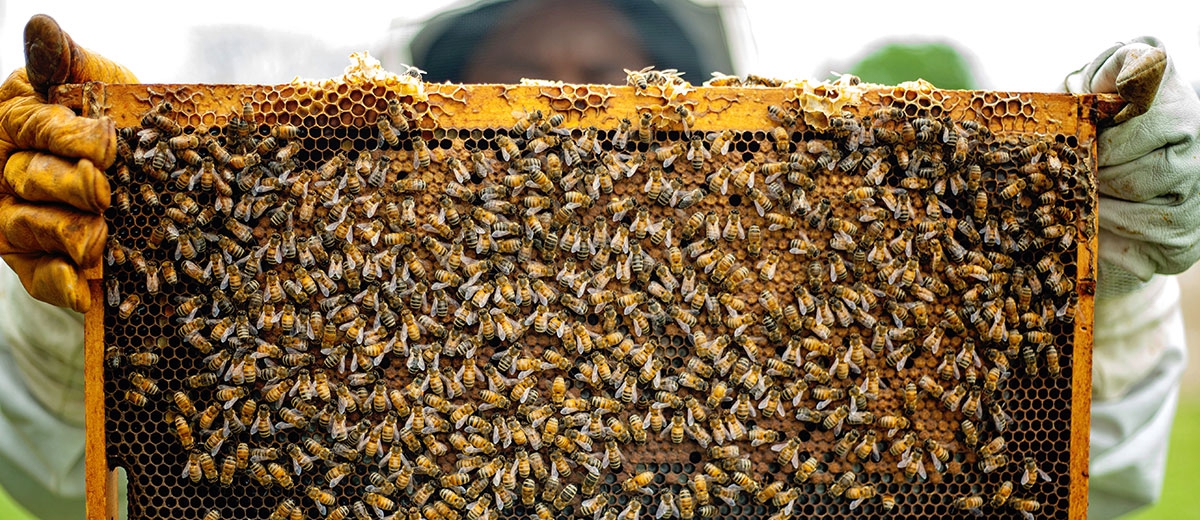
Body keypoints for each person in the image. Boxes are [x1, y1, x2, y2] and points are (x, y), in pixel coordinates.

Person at [0, 4, 1196, 520]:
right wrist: (103, 296)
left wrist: (1108, 261)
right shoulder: (333, 335)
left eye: (618, 90)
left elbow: (1074, 462)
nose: (571, 103)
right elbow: (90, 473)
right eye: (527, 88)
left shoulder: (804, 340)